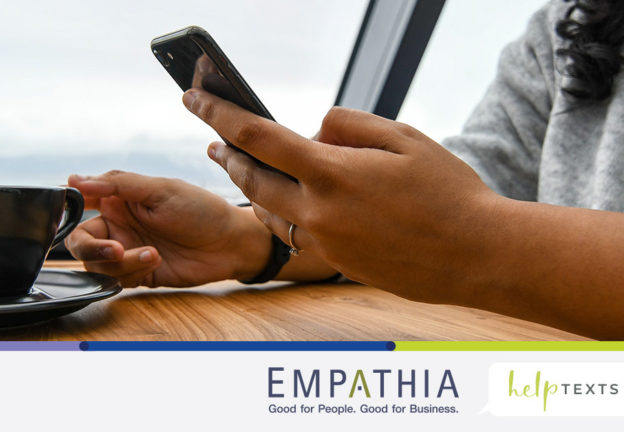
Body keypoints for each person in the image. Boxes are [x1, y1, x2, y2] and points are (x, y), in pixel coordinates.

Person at [65, 0, 624, 340]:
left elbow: (466, 226)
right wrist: (249, 240)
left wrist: (477, 239)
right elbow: (464, 199)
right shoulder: (566, 31)